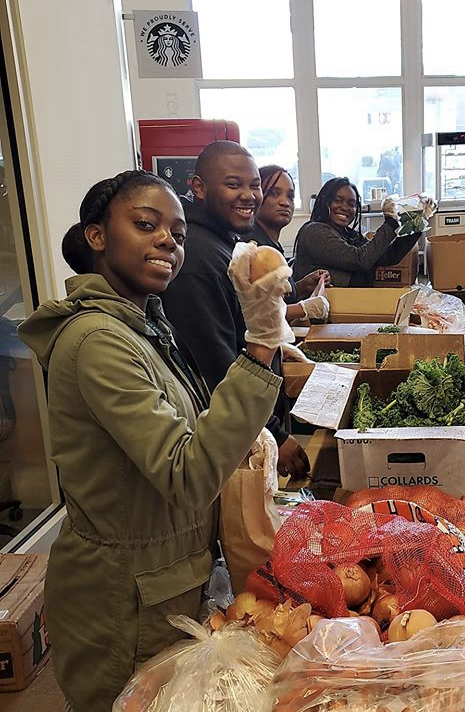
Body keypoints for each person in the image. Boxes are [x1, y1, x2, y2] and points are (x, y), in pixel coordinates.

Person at [18, 170, 285, 712]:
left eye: (179, 233)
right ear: (97, 236)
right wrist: (259, 345)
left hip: (168, 578)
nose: (168, 240)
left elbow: (187, 432)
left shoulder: (143, 327)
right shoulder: (99, 342)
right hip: (123, 598)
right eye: (146, 224)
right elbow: (185, 473)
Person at [160, 142, 308, 478]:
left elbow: (238, 324)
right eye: (233, 184)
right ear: (198, 187)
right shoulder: (198, 257)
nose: (248, 195)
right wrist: (273, 432)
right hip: (232, 429)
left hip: (253, 412)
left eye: (254, 185)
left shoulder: (227, 243)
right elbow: (213, 359)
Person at [292, 176, 421, 287]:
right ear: (325, 202)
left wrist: (416, 223)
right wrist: (390, 222)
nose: (345, 207)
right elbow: (360, 260)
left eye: (351, 204)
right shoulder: (315, 232)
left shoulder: (347, 233)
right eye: (338, 200)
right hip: (314, 312)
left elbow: (387, 257)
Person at [249, 163, 331, 324]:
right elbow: (257, 314)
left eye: (290, 196)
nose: (285, 202)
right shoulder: (254, 248)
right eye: (274, 193)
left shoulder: (272, 244)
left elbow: (276, 296)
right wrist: (304, 308)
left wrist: (301, 287)